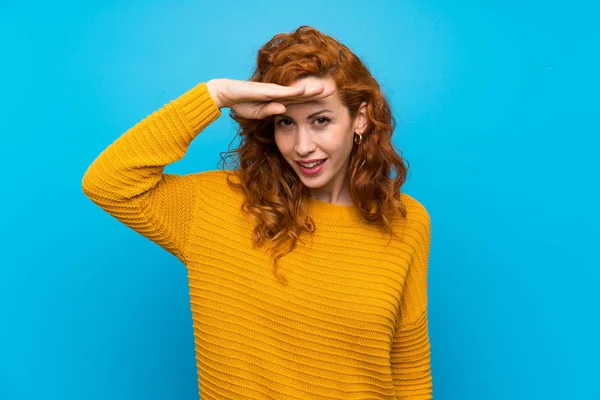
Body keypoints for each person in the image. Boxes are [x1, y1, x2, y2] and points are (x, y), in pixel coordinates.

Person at [82, 25, 433, 399]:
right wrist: (214, 95)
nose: (302, 146)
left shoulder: (405, 220)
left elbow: (408, 366)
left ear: (359, 118)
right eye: (286, 123)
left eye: (320, 120)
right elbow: (108, 182)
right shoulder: (217, 207)